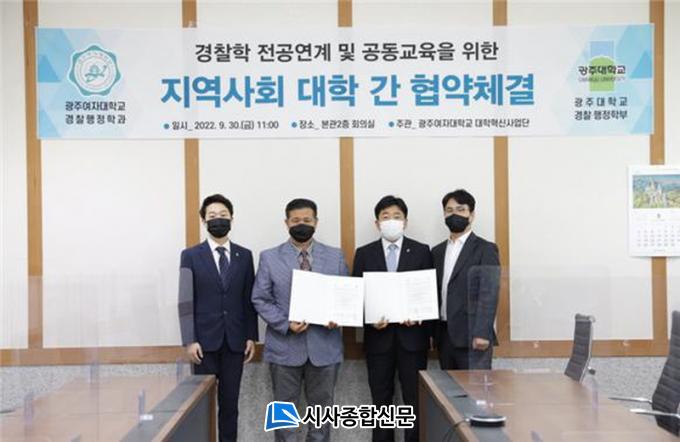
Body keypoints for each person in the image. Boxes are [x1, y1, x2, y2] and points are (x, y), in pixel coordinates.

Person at [252, 198, 349, 442]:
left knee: (322, 413)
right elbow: (260, 298)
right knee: (284, 414)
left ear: (316, 222)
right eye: (295, 220)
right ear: (286, 223)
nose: (301, 224)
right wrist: (285, 324)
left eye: (307, 220)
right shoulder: (269, 257)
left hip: (325, 347)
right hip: (284, 347)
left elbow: (345, 295)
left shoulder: (335, 256)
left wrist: (337, 316)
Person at [352, 195, 433, 442]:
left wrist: (418, 315)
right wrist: (369, 319)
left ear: (405, 222)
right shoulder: (364, 253)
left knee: (414, 402)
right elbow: (357, 295)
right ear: (377, 223)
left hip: (413, 340)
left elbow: (428, 293)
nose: (391, 221)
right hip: (378, 340)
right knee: (380, 402)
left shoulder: (421, 251)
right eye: (385, 217)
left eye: (397, 216)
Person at [178, 194, 258, 442]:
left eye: (223, 215)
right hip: (203, 344)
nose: (218, 220)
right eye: (212, 216)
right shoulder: (190, 255)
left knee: (230, 406)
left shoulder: (244, 255)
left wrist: (251, 336)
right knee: (201, 406)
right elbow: (185, 300)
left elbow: (248, 298)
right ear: (204, 220)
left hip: (235, 343)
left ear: (232, 218)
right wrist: (189, 340)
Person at [431, 189, 500, 370]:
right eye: (449, 210)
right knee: (447, 387)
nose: (454, 214)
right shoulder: (436, 252)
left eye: (460, 209)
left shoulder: (486, 249)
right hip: (444, 336)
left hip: (474, 337)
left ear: (472, 215)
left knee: (475, 387)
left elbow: (489, 293)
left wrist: (482, 333)